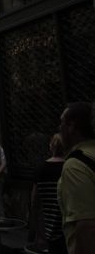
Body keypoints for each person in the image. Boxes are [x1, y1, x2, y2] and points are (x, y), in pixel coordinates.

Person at [57, 102, 95, 254]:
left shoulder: (75, 165)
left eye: (61, 123)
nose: (59, 128)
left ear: (71, 126)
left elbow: (87, 226)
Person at [29, 134, 66, 254]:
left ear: (51, 147)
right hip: (69, 227)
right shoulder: (70, 167)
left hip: (50, 226)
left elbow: (34, 202)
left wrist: (38, 231)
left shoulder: (41, 169)